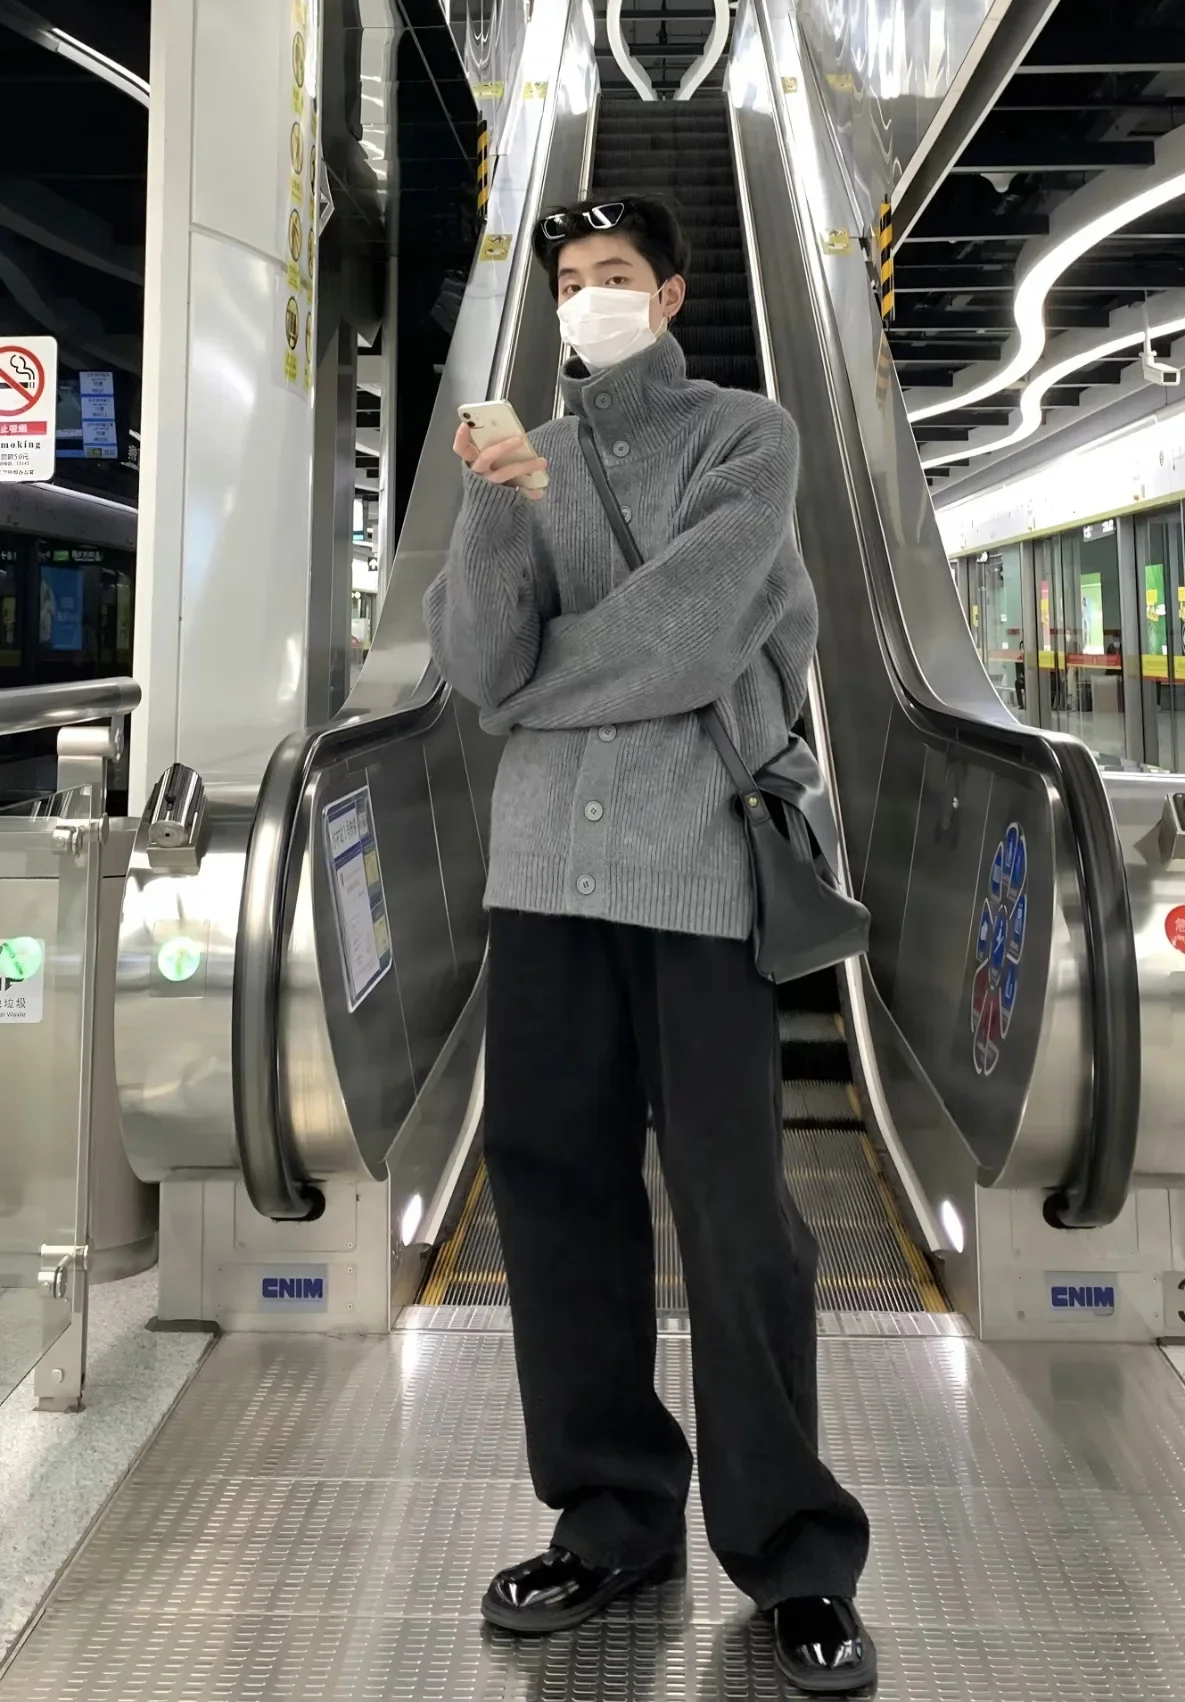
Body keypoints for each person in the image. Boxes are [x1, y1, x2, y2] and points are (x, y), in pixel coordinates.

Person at [424, 194, 876, 1696]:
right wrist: (498, 505)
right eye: (569, 278)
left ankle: (795, 1552)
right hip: (545, 881)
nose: (588, 297)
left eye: (614, 274)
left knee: (736, 1212)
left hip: (699, 877)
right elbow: (475, 658)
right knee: (553, 1193)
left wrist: (530, 693)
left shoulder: (747, 438)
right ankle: (612, 1515)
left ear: (672, 295)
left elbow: (686, 643)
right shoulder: (520, 454)